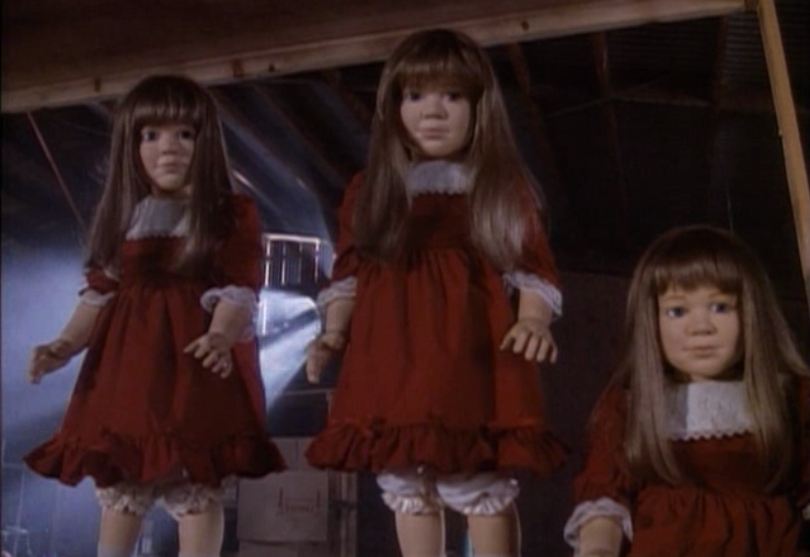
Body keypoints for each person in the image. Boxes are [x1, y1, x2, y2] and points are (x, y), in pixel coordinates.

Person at [305, 28, 565, 556]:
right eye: (416, 95)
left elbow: (530, 264)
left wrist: (533, 319)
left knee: (479, 479)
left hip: (471, 352)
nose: (433, 110)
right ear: (394, 107)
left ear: (479, 107)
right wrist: (332, 333)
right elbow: (349, 271)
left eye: (453, 95)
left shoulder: (498, 186)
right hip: (392, 355)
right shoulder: (372, 188)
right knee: (408, 483)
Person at [24, 75, 285, 557]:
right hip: (128, 374)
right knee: (122, 484)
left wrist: (222, 334)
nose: (170, 147)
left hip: (192, 369)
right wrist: (63, 345)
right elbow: (99, 296)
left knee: (197, 485)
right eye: (152, 134)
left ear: (206, 144)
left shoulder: (228, 213)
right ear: (132, 145)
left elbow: (240, 287)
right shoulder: (125, 217)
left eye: (185, 134)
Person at [564, 225, 810, 556]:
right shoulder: (631, 407)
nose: (701, 328)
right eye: (677, 311)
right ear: (651, 320)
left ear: (751, 311)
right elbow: (604, 497)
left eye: (720, 307)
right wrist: (598, 549)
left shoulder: (789, 398)